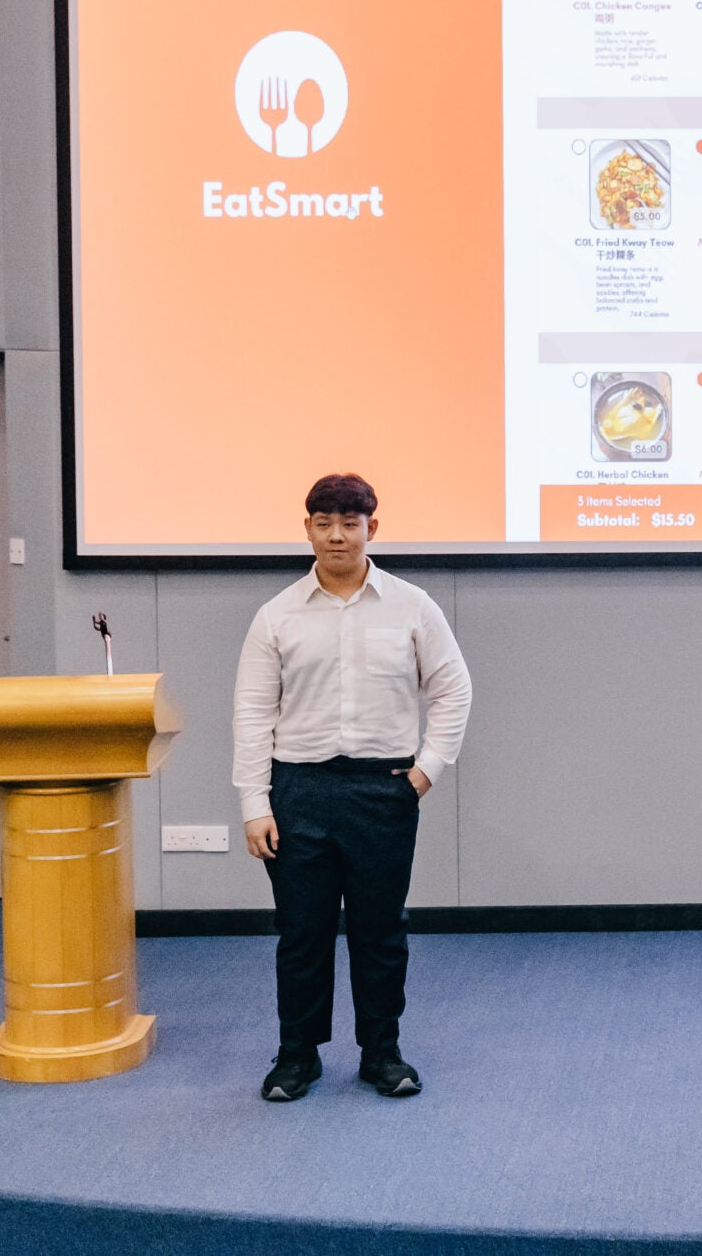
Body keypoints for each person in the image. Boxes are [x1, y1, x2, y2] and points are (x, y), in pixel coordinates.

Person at [235, 472, 472, 1103]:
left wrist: (426, 771)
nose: (337, 535)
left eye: (350, 523)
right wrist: (255, 803)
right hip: (299, 792)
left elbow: (452, 689)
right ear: (307, 529)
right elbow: (253, 714)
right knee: (301, 933)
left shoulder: (413, 606)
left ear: (373, 528)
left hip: (383, 791)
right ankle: (297, 1056)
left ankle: (381, 1053)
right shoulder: (276, 615)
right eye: (324, 523)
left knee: (380, 931)